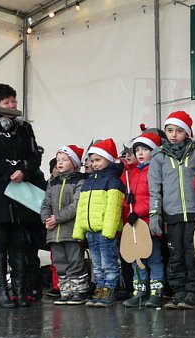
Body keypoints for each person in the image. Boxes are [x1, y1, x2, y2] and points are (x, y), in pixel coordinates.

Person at [0, 83, 42, 309]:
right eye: (6, 102)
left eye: (13, 100)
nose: (12, 105)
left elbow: (35, 155)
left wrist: (24, 169)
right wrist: (10, 171)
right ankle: (1, 293)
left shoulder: (24, 128)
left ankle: (19, 291)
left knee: (19, 243)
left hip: (21, 194)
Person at [149, 111, 195, 309]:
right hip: (172, 214)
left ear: (188, 132)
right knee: (176, 254)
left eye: (179, 130)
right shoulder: (158, 156)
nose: (174, 134)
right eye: (170, 130)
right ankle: (179, 290)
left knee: (194, 253)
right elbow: (154, 188)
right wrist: (155, 214)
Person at [72, 138, 125, 307]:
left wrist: (109, 230)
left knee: (108, 263)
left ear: (108, 159)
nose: (94, 164)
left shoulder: (113, 180)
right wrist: (79, 230)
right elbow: (81, 208)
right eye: (92, 160)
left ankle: (108, 292)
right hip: (91, 230)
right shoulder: (89, 181)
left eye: (97, 160)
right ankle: (99, 292)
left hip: (104, 230)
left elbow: (114, 208)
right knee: (97, 264)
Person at [121, 129, 166, 308]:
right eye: (137, 149)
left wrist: (137, 212)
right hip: (133, 224)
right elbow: (127, 199)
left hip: (148, 223)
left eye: (145, 149)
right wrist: (128, 209)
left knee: (153, 257)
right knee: (136, 259)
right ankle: (139, 290)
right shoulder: (131, 173)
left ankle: (156, 291)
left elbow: (153, 197)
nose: (140, 153)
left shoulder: (154, 171)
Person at [41, 145, 87, 305]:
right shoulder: (52, 183)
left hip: (72, 231)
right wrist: (46, 218)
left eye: (64, 160)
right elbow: (46, 202)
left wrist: (57, 218)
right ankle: (65, 292)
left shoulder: (80, 180)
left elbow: (76, 205)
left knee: (75, 261)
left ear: (74, 163)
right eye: (58, 159)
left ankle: (79, 291)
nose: (59, 163)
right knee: (60, 263)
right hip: (54, 232)